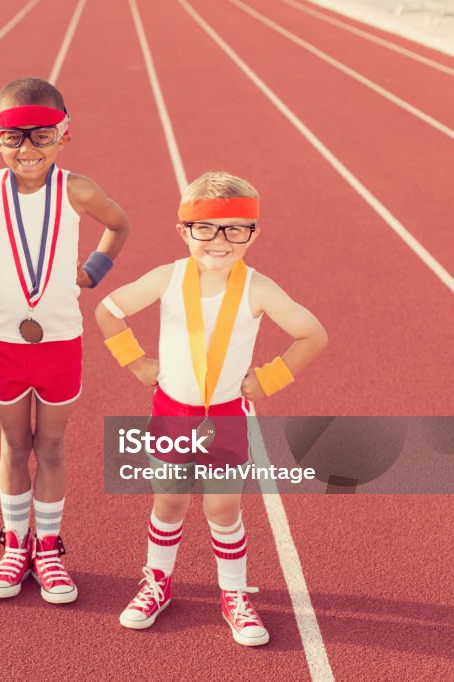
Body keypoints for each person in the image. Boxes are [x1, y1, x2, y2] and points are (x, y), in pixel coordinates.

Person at [96, 171, 327, 644]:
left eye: (235, 229)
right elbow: (108, 311)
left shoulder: (258, 288)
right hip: (171, 413)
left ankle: (234, 594)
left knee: (222, 508)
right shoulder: (168, 278)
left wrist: (268, 378)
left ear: (252, 234)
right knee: (170, 500)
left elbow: (313, 334)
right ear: (184, 231)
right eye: (206, 228)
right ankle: (157, 582)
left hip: (224, 417)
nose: (220, 241)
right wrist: (135, 362)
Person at [0, 77, 130, 604]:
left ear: (64, 135)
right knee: (13, 444)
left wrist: (93, 269)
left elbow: (118, 224)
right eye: (13, 136)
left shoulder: (78, 190)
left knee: (49, 446)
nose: (27, 149)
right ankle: (15, 544)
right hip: (5, 341)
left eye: (41, 135)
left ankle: (47, 547)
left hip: (60, 342)